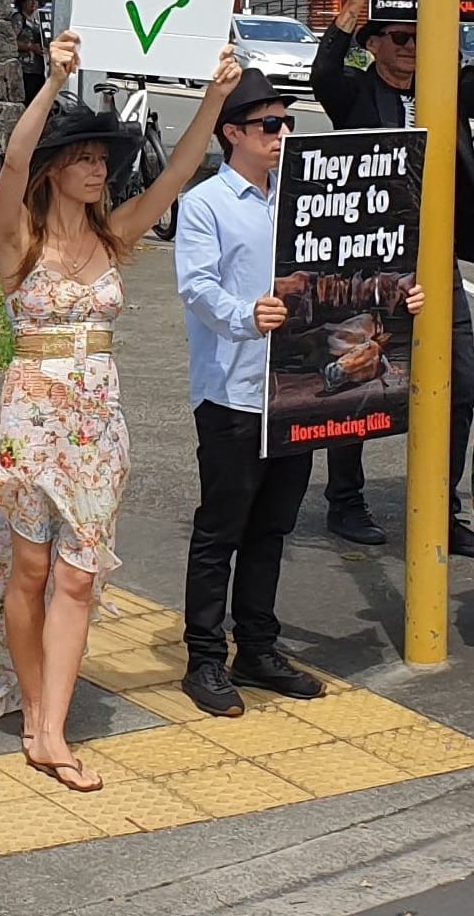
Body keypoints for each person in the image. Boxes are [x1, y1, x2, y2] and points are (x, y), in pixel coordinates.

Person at [0, 28, 239, 793]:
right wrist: (50, 83)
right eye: (81, 157)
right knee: (31, 566)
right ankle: (37, 712)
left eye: (102, 159)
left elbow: (176, 174)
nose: (96, 168)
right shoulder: (17, 238)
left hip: (99, 425)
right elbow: (11, 163)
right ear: (53, 168)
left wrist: (213, 99)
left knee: (77, 577)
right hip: (31, 419)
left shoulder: (115, 236)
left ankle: (52, 727)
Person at [175, 70, 425, 717]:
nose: (282, 135)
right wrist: (242, 313)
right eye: (268, 126)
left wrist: (397, 297)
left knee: (273, 526)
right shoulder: (207, 203)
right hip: (233, 392)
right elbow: (196, 286)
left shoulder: (304, 199)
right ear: (232, 133)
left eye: (287, 124)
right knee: (221, 527)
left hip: (296, 391)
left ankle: (256, 645)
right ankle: (203, 657)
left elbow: (352, 264)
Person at [312, 0, 474, 556]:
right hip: (369, 262)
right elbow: (323, 68)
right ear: (375, 43)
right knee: (357, 383)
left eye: (423, 35)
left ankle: (441, 506)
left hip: (435, 260)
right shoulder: (354, 93)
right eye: (400, 36)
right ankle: (346, 501)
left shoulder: (446, 87)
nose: (413, 47)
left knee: (461, 385)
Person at [14, 0, 47, 104]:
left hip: (39, 70)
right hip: (25, 69)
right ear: (23, 3)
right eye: (30, 0)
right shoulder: (18, 19)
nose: (34, 3)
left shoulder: (38, 22)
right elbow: (11, 41)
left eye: (36, 0)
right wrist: (30, 47)